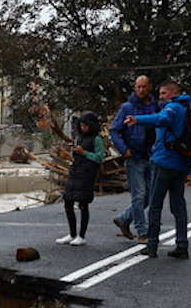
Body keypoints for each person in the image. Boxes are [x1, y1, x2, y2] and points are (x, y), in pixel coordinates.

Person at [126, 79, 191, 260]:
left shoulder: (172, 108)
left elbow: (161, 119)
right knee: (178, 204)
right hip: (182, 163)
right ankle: (182, 244)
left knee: (155, 204)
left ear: (174, 93)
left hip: (165, 162)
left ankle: (152, 245)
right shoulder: (188, 107)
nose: (160, 97)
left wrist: (138, 120)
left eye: (164, 93)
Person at [109, 75, 160, 241]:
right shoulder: (127, 108)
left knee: (150, 195)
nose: (141, 90)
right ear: (135, 88)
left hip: (152, 156)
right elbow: (114, 131)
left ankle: (124, 219)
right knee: (138, 195)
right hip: (134, 156)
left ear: (150, 87)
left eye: (144, 87)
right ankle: (142, 232)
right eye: (139, 87)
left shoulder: (156, 107)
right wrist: (124, 150)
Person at [58, 111, 104, 245]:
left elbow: (99, 157)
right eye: (81, 125)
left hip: (87, 173)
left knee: (83, 204)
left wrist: (84, 153)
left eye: (86, 126)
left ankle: (82, 236)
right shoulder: (79, 137)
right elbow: (75, 156)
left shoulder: (97, 139)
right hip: (75, 171)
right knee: (68, 202)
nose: (84, 128)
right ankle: (72, 234)